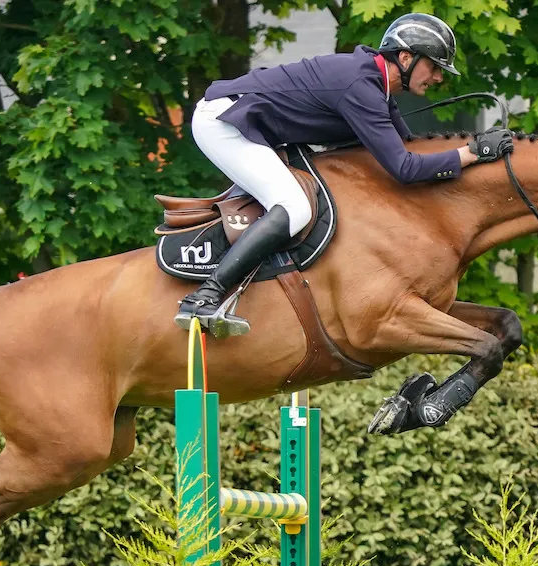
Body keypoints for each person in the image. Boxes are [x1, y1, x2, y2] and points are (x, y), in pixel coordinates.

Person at [173, 12, 515, 333]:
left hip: (250, 123)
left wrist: (474, 152)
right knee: (295, 208)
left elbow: (408, 149)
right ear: (406, 58)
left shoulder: (377, 89)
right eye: (434, 66)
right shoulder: (361, 87)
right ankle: (205, 297)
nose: (439, 77)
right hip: (223, 123)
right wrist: (472, 152)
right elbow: (406, 169)